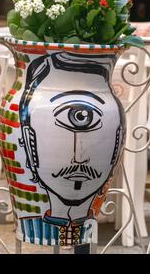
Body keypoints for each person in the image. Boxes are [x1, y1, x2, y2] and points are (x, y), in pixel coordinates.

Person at [17, 52, 124, 246]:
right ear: (28, 139)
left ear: (117, 142)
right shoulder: (30, 225)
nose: (79, 158)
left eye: (91, 123)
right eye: (67, 120)